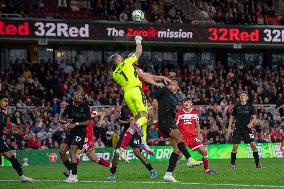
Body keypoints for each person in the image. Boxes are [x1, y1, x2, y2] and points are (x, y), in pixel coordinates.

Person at [110, 36, 164, 160]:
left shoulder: (114, 74)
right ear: (117, 61)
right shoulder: (127, 62)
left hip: (127, 95)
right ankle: (122, 147)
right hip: (136, 91)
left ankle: (143, 143)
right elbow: (138, 52)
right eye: (119, 57)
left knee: (139, 118)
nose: (121, 57)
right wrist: (138, 41)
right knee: (144, 119)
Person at [151, 79, 196, 183]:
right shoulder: (164, 90)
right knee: (179, 136)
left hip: (170, 122)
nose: (171, 86)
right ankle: (189, 159)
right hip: (164, 121)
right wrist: (154, 100)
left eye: (174, 84)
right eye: (170, 84)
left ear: (177, 87)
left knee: (176, 149)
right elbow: (153, 93)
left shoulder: (175, 98)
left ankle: (168, 174)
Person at [106, 104, 157, 180]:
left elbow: (146, 119)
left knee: (137, 152)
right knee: (117, 153)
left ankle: (152, 170)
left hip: (135, 133)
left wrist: (136, 123)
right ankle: (112, 173)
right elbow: (120, 120)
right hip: (126, 132)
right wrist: (127, 122)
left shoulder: (139, 106)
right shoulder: (124, 108)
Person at [63, 109, 112, 178]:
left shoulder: (90, 113)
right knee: (94, 158)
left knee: (76, 153)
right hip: (82, 137)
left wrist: (100, 121)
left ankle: (72, 174)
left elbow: (102, 113)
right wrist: (67, 125)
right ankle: (111, 166)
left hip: (88, 139)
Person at [176, 98, 216, 174]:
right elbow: (175, 126)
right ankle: (170, 172)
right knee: (179, 155)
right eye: (185, 102)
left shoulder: (195, 113)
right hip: (183, 137)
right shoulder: (179, 114)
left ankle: (206, 170)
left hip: (193, 137)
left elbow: (197, 125)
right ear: (183, 104)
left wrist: (197, 136)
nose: (186, 104)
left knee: (204, 151)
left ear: (191, 104)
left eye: (188, 102)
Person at [0, 93, 34, 183]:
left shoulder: (3, 115)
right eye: (4, 101)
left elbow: (3, 131)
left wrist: (11, 130)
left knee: (11, 157)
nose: (6, 103)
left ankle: (22, 177)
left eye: (7, 101)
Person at [58, 90, 91, 183]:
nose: (81, 96)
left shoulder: (85, 106)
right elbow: (60, 118)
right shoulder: (69, 107)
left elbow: (88, 121)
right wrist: (66, 122)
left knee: (72, 150)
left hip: (80, 132)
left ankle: (74, 177)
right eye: (78, 95)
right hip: (70, 133)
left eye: (81, 95)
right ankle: (71, 171)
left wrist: (75, 124)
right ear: (73, 97)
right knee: (61, 151)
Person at [228, 91, 263, 169]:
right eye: (241, 95)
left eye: (244, 95)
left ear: (247, 98)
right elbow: (231, 118)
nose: (242, 97)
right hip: (238, 129)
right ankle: (232, 164)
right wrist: (229, 128)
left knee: (253, 145)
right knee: (235, 146)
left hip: (247, 129)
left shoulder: (251, 107)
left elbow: (254, 118)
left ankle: (258, 165)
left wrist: (251, 123)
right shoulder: (236, 107)